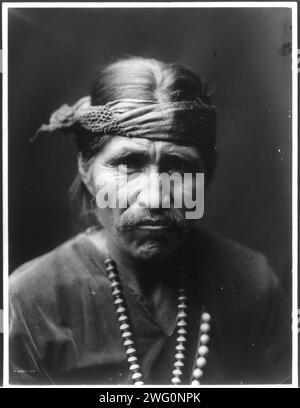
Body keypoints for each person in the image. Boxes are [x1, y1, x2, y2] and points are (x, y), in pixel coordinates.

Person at [9, 57, 291, 385]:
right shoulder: (29, 302)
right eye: (128, 164)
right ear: (86, 171)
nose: (155, 198)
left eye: (178, 167)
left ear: (206, 175)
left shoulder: (253, 283)